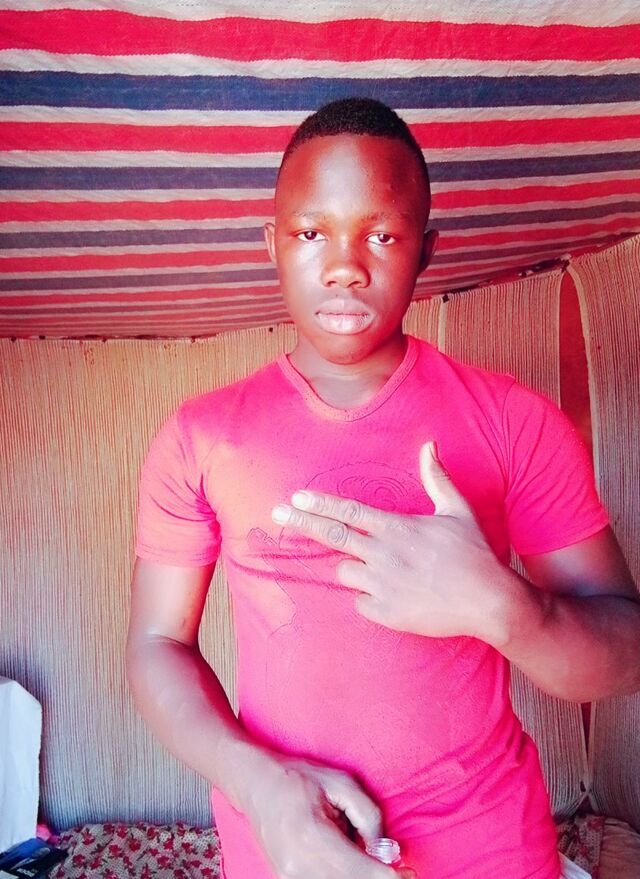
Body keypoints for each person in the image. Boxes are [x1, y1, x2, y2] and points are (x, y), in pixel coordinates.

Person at [127, 98, 640, 879]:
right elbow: (157, 644)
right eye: (311, 233)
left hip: (489, 846)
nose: (345, 266)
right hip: (287, 845)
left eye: (382, 234)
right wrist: (261, 788)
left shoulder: (514, 421)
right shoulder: (200, 436)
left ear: (425, 249)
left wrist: (505, 606)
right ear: (272, 243)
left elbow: (627, 651)